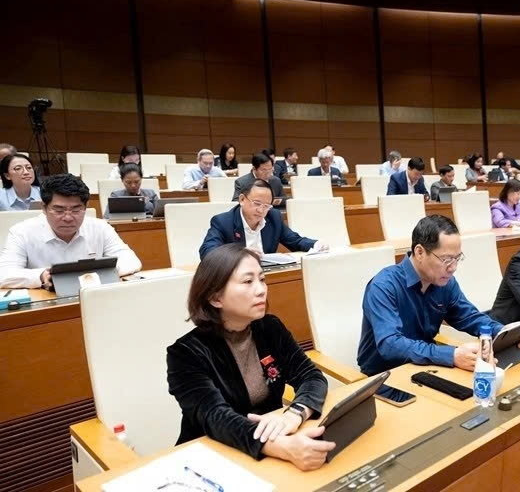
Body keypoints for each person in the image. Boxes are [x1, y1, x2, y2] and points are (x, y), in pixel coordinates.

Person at [167, 244, 334, 468]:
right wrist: (285, 449)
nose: (261, 289)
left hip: (272, 445)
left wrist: (293, 415)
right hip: (212, 457)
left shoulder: (270, 328)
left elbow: (311, 377)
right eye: (248, 282)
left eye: (262, 279)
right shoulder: (185, 353)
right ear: (215, 298)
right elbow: (216, 417)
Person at [357, 215, 520, 375]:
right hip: (384, 376)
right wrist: (451, 355)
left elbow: (469, 317)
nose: (453, 267)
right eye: (446, 259)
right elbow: (390, 345)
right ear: (419, 252)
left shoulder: (445, 282)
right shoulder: (384, 286)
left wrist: (505, 333)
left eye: (457, 258)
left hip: (426, 367)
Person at [0, 174, 141, 288]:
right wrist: (42, 276)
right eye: (59, 210)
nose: (68, 218)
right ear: (43, 208)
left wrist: (87, 275)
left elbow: (131, 261)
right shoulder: (21, 232)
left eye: (76, 209)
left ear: (85, 207)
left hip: (94, 296)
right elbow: (4, 274)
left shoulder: (100, 227)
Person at [199, 180, 327, 260]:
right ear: (242, 199)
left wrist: (316, 244)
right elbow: (207, 251)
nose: (261, 210)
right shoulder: (223, 221)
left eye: (266, 206)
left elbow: (295, 241)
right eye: (257, 203)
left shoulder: (273, 217)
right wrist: (239, 253)